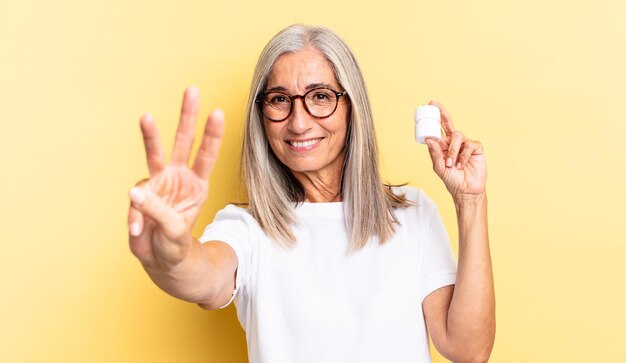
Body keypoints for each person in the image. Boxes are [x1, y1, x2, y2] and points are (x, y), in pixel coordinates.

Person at [127, 24, 495, 363]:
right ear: (262, 114)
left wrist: (471, 202)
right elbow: (202, 277)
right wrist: (170, 254)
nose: (299, 122)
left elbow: (468, 349)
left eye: (320, 96)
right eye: (279, 100)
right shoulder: (247, 228)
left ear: (353, 108)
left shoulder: (413, 214)